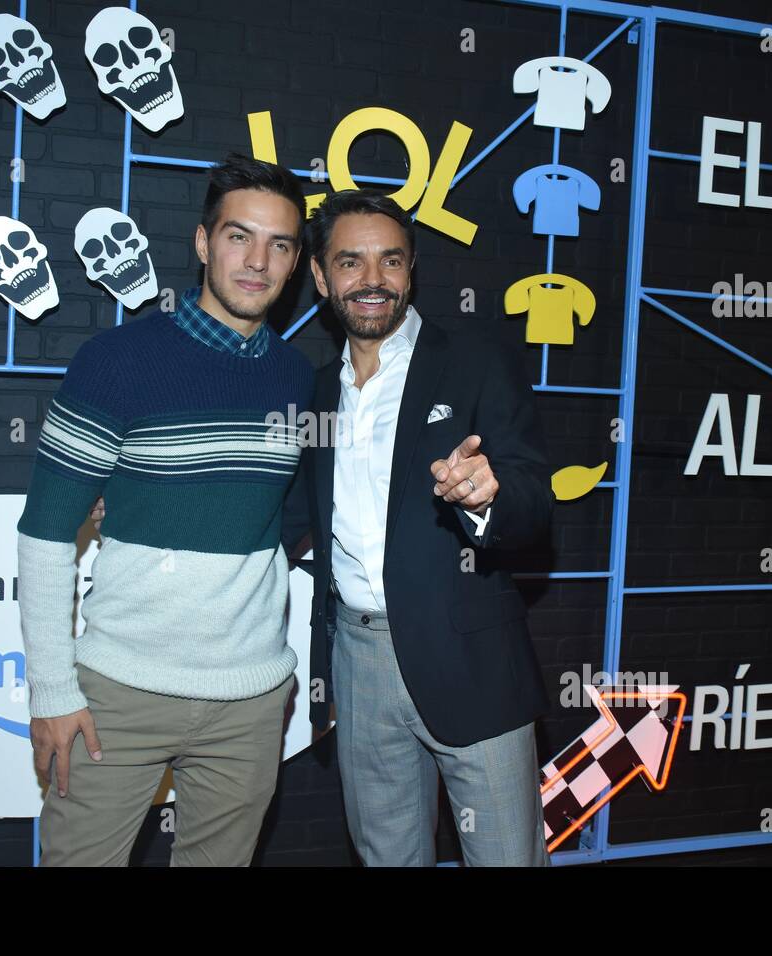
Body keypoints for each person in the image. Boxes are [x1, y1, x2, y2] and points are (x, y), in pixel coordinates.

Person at [15, 152, 313, 866]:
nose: (257, 261)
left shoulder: (297, 375)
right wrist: (53, 689)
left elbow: (284, 521)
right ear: (204, 242)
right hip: (119, 694)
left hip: (250, 699)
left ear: (297, 261)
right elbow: (47, 532)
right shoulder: (116, 360)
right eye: (239, 236)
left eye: (279, 244)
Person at [284, 188, 555, 866]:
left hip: (471, 661)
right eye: (350, 262)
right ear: (320, 278)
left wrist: (486, 496)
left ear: (411, 272)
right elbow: (288, 514)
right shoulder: (312, 394)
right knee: (387, 857)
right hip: (358, 660)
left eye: (390, 261)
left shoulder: (474, 361)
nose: (372, 280)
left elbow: (533, 498)